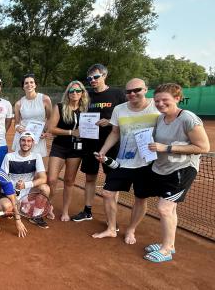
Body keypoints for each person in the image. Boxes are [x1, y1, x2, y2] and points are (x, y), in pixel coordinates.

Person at [143, 83, 210, 262]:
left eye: (165, 100)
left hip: (183, 170)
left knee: (164, 208)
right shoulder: (160, 118)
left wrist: (167, 148)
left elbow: (203, 147)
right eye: (157, 101)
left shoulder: (188, 118)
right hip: (165, 169)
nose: (160, 104)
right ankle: (169, 244)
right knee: (169, 209)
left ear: (177, 98)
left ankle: (166, 250)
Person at [92, 78, 160, 244]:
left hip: (146, 162)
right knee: (107, 193)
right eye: (128, 91)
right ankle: (111, 228)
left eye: (136, 90)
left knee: (140, 198)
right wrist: (103, 151)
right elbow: (115, 132)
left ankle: (131, 229)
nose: (132, 94)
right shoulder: (119, 109)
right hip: (123, 160)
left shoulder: (157, 107)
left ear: (145, 89)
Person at [72, 64, 126, 222]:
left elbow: (126, 116)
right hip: (89, 143)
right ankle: (87, 211)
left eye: (96, 77)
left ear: (104, 76)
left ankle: (111, 217)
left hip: (111, 144)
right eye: (89, 78)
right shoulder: (86, 94)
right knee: (90, 178)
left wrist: (109, 122)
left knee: (112, 180)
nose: (92, 80)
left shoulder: (117, 94)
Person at [46, 81, 89, 221]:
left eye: (78, 91)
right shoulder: (60, 107)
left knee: (69, 180)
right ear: (68, 93)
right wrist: (71, 132)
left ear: (82, 93)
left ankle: (65, 211)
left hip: (76, 150)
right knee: (51, 179)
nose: (75, 93)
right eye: (72, 91)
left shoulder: (86, 110)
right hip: (59, 147)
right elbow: (51, 129)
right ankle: (48, 206)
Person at [1, 132, 51, 229]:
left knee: (45, 188)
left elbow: (43, 178)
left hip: (28, 190)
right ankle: (21, 206)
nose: (26, 143)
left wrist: (26, 185)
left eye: (29, 141)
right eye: (23, 140)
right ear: (19, 142)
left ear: (33, 143)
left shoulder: (37, 156)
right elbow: (3, 178)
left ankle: (36, 216)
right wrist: (12, 190)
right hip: (12, 191)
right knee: (9, 210)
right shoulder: (9, 157)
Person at [12, 73, 52, 160]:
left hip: (38, 137)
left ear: (35, 85)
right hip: (23, 137)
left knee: (38, 166)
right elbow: (17, 122)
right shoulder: (18, 103)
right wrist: (17, 127)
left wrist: (45, 131)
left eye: (31, 82)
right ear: (23, 86)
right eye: (26, 83)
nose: (29, 85)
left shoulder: (45, 99)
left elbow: (50, 118)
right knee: (22, 164)